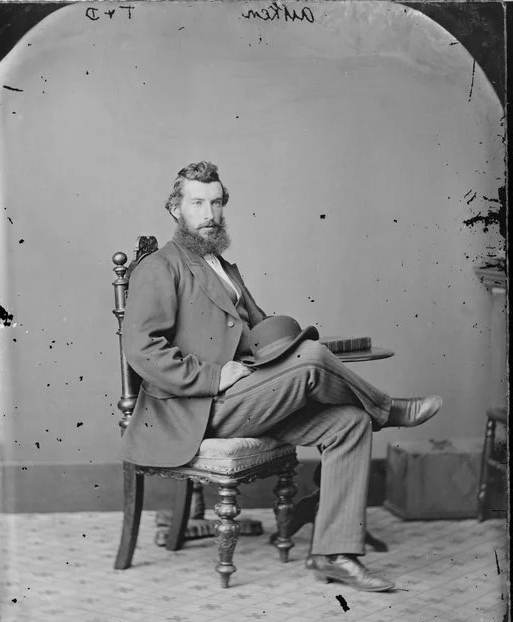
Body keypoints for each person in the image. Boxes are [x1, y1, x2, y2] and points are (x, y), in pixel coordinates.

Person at [122, 161, 442, 593]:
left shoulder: (224, 268)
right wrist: (216, 376)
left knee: (350, 421)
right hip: (198, 408)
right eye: (197, 203)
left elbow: (255, 332)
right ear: (175, 209)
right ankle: (389, 408)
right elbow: (143, 350)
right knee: (312, 360)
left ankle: (334, 554)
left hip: (247, 395)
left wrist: (282, 343)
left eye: (216, 202)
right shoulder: (160, 267)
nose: (209, 213)